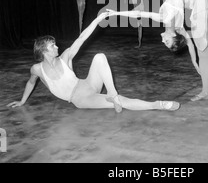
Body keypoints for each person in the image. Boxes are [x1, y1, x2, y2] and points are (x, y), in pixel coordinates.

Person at [7, 12, 180, 112]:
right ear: (43, 51)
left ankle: (112, 93)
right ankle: (159, 104)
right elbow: (30, 83)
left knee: (99, 56)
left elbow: (82, 38)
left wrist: (97, 20)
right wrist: (22, 101)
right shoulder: (37, 69)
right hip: (80, 98)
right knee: (122, 100)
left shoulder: (65, 56)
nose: (57, 47)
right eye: (52, 46)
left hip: (88, 83)